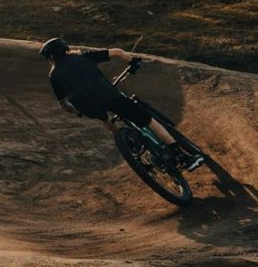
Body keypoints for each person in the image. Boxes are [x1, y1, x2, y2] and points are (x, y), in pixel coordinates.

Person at [40, 38, 203, 170]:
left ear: (50, 58)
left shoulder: (53, 76)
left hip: (88, 107)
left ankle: (127, 142)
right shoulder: (83, 57)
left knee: (105, 119)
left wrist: (77, 112)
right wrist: (133, 61)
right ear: (66, 49)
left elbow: (63, 103)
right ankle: (183, 157)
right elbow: (117, 52)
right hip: (108, 95)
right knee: (149, 121)